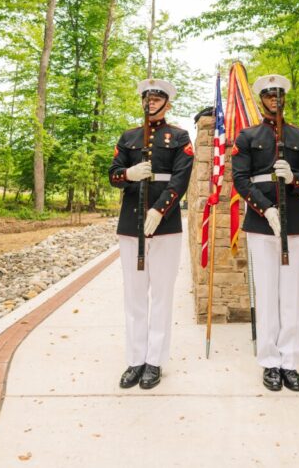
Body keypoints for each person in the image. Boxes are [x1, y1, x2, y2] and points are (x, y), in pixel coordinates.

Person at [231, 74, 299, 392]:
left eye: (279, 95)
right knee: (268, 293)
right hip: (261, 224)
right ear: (262, 100)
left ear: (284, 98)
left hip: (294, 223)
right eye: (269, 95)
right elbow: (240, 179)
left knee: (292, 294)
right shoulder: (247, 136)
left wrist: (295, 178)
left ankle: (290, 361)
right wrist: (266, 209)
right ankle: (270, 361)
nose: (275, 99)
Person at [108, 79, 194, 390]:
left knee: (161, 295)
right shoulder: (129, 137)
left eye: (158, 98)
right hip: (131, 224)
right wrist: (128, 174)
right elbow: (114, 175)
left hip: (165, 225)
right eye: (148, 98)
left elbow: (181, 179)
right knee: (134, 296)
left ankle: (154, 360)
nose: (152, 102)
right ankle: (135, 359)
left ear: (167, 104)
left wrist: (160, 210)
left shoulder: (179, 137)